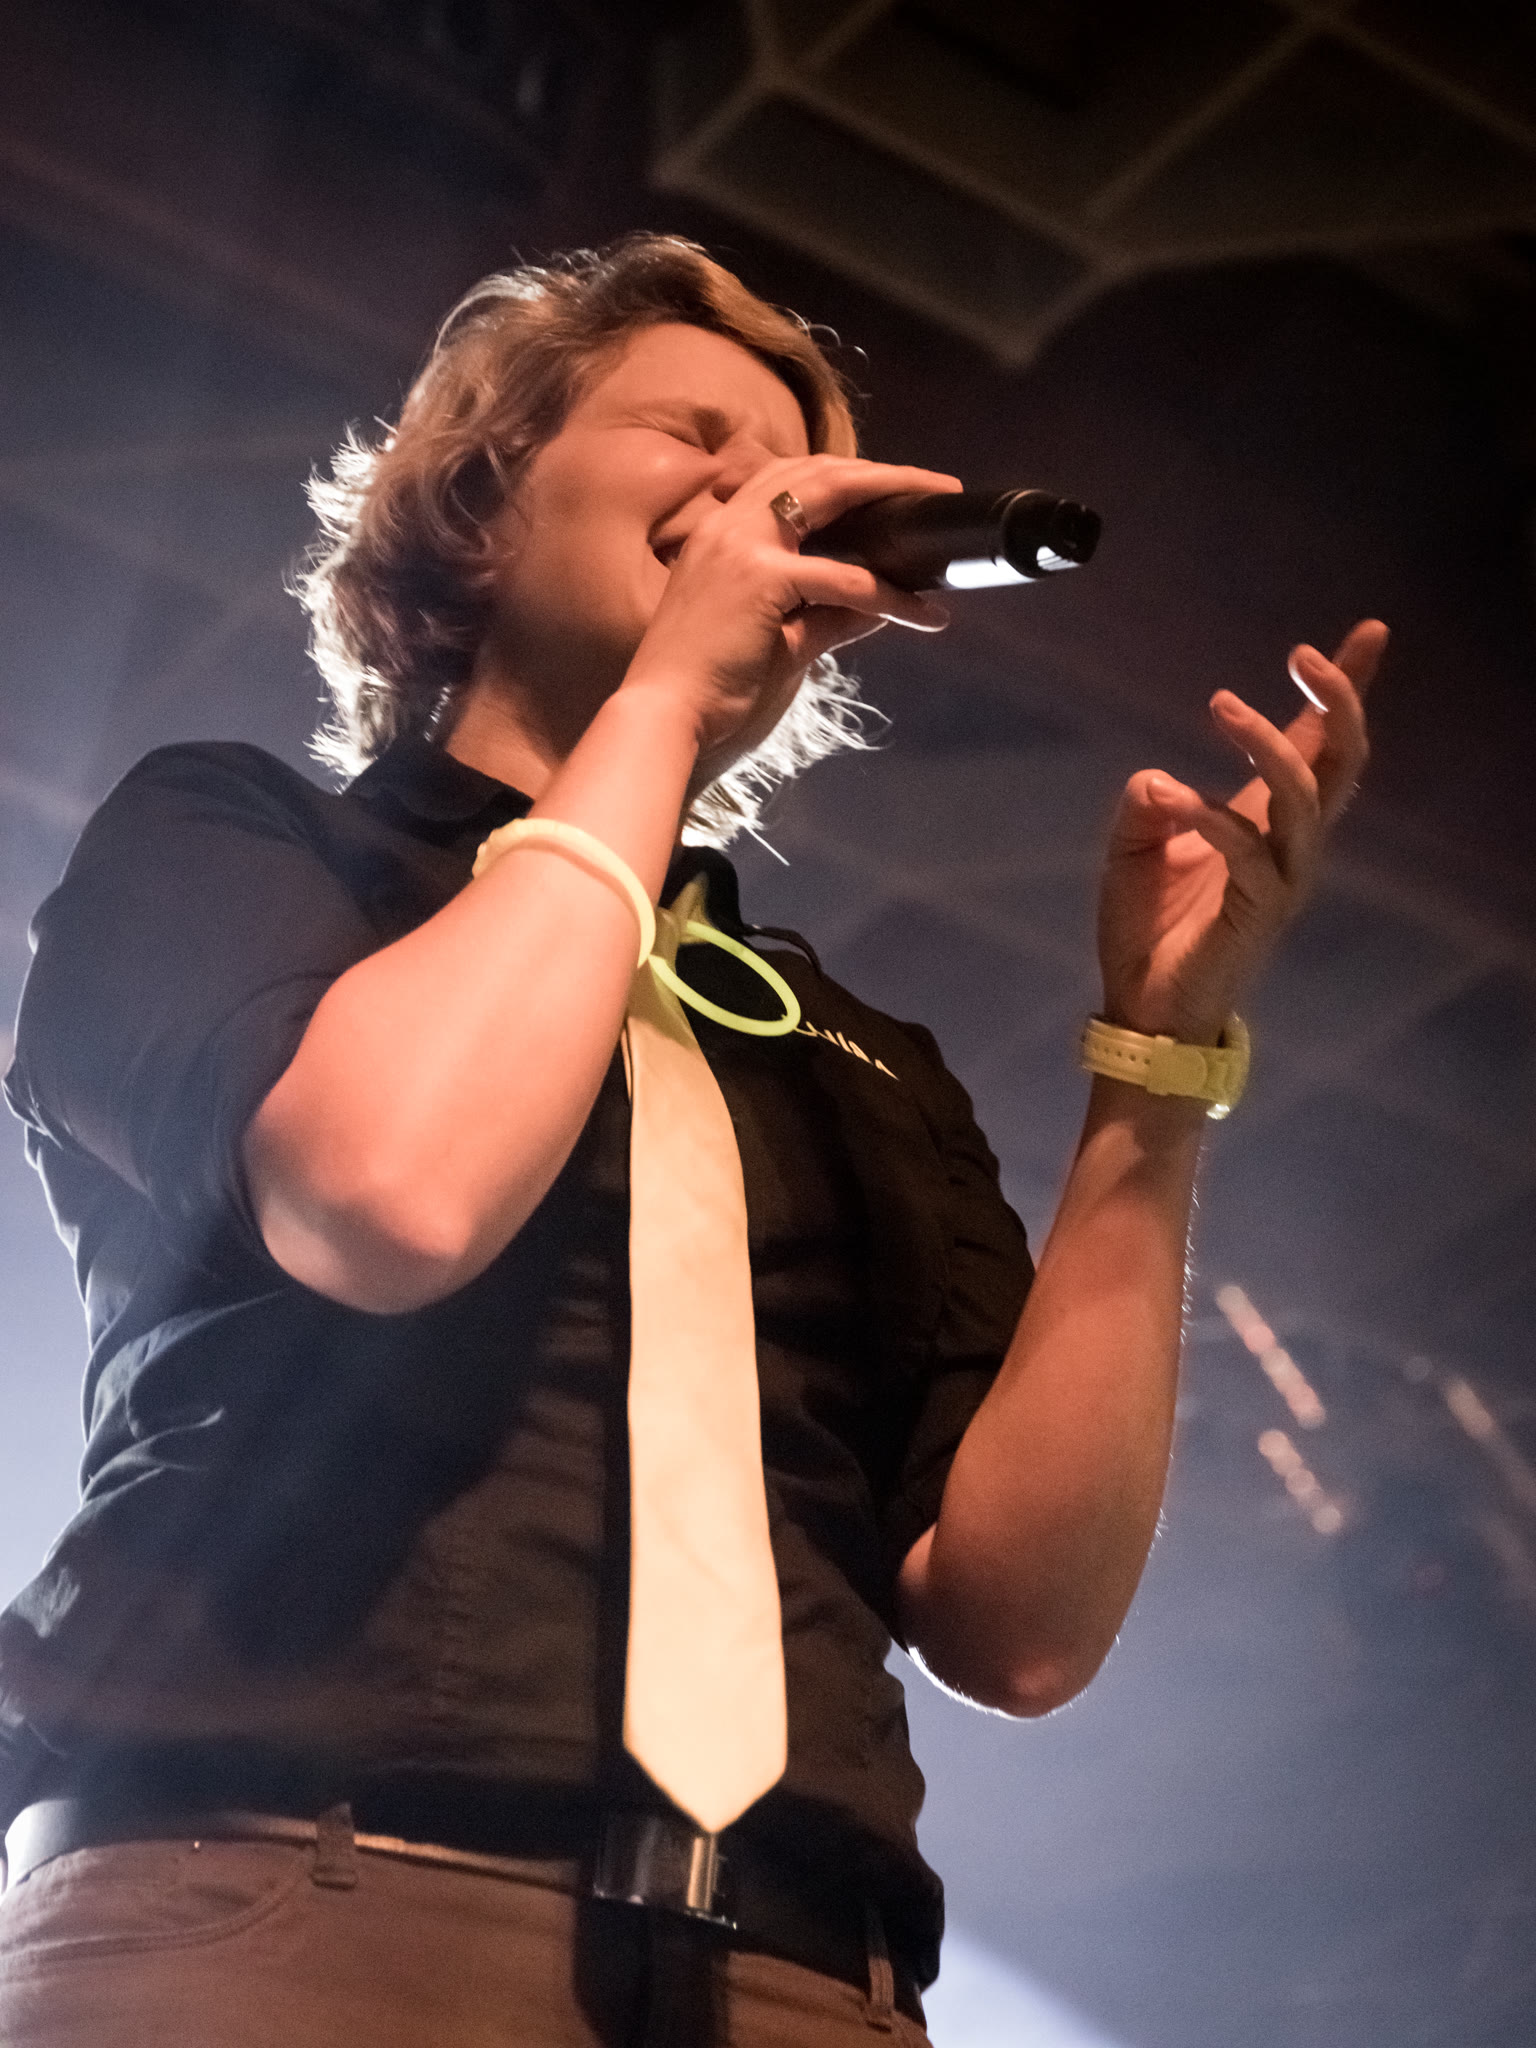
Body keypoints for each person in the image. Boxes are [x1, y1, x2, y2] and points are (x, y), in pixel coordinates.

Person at [0, 234, 1381, 2047]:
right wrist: (659, 699)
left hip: (807, 1975)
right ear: (483, 503)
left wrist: (1159, 1065)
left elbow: (1023, 1627)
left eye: (795, 478)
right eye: (696, 444)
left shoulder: (857, 1060)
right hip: (293, 1902)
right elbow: (391, 1196)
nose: (763, 501)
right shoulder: (237, 845)